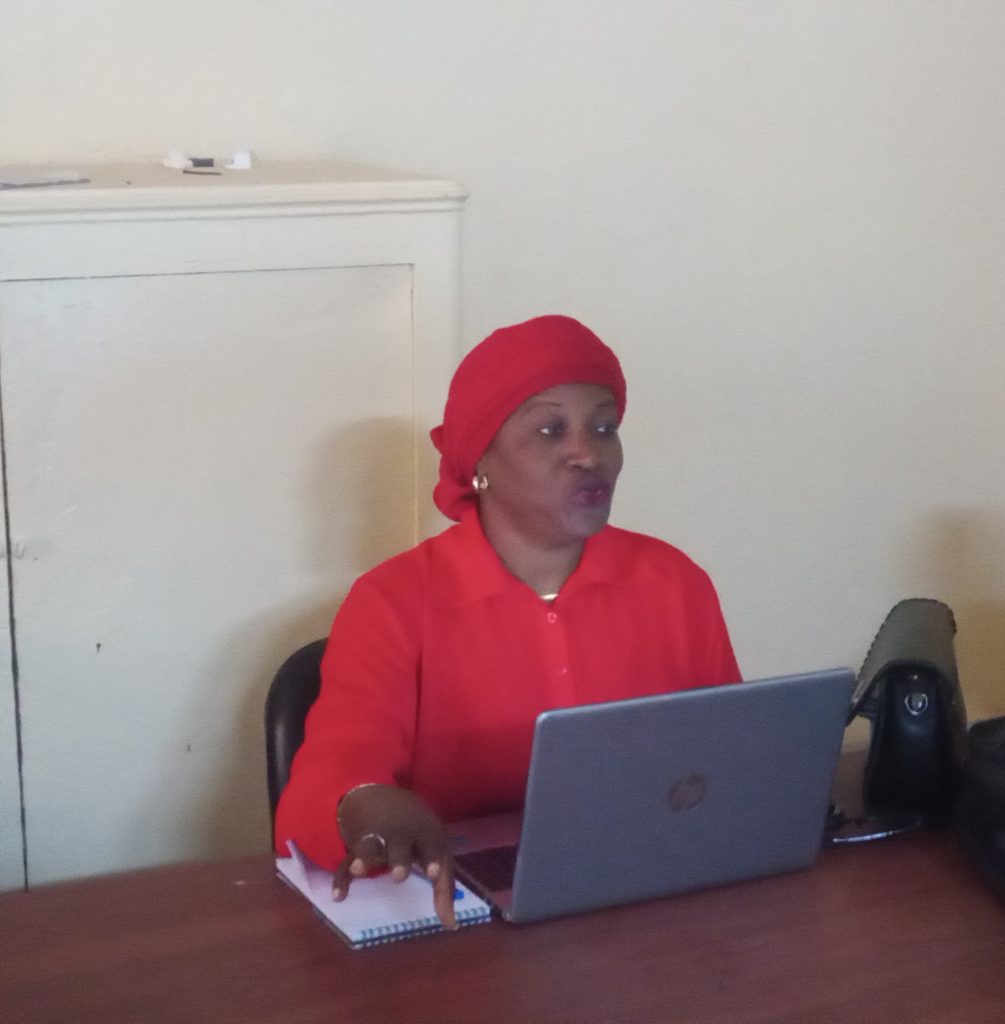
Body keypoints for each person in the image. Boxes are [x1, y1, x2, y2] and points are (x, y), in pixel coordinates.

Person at [274, 314, 741, 928]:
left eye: (604, 428)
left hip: (645, 905)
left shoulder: (675, 584)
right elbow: (330, 778)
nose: (588, 454)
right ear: (480, 460)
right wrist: (363, 804)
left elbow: (730, 759)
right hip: (459, 923)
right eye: (550, 430)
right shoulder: (393, 601)